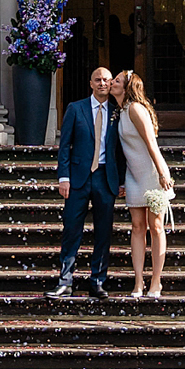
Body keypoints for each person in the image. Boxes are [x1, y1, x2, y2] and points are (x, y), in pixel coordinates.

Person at [50, 65, 125, 299]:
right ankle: (65, 281)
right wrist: (64, 177)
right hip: (78, 179)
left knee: (103, 232)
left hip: (106, 178)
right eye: (98, 80)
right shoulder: (75, 108)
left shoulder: (118, 112)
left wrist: (121, 181)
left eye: (106, 80)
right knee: (72, 229)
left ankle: (97, 280)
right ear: (91, 83)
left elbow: (121, 151)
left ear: (112, 84)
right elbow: (65, 146)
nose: (102, 83)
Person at [111, 69, 174, 299]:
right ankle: (138, 281)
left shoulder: (136, 109)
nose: (111, 83)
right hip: (133, 174)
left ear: (126, 87)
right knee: (137, 226)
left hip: (151, 173)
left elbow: (151, 143)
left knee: (156, 226)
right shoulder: (121, 111)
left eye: (116, 81)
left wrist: (161, 173)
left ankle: (156, 281)